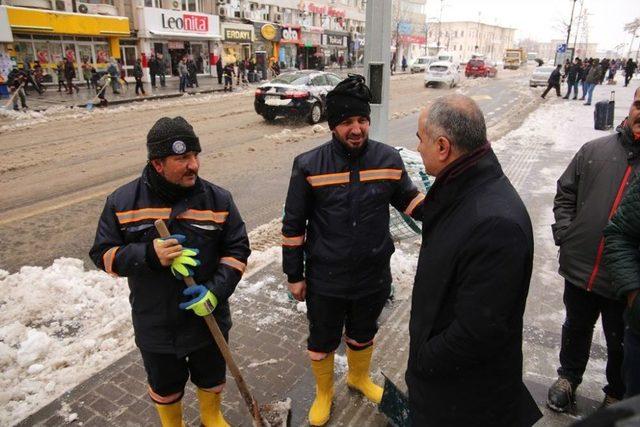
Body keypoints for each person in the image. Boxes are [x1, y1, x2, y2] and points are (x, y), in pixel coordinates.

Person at [282, 74, 425, 426]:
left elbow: (409, 199)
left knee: (364, 332)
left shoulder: (388, 159)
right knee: (322, 338)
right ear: (333, 126)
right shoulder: (309, 165)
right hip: (325, 276)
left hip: (373, 272)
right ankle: (324, 393)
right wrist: (294, 275)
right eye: (347, 122)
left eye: (361, 120)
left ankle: (359, 378)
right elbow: (293, 225)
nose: (356, 128)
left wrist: (446, 209)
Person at [89, 116, 250, 427]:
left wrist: (215, 291)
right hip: (156, 323)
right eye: (182, 158)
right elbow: (103, 255)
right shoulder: (123, 202)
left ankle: (212, 417)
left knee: (211, 376)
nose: (194, 165)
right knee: (165, 387)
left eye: (195, 156)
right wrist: (148, 254)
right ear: (158, 164)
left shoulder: (218, 200)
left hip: (208, 318)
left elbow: (237, 250)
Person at [407, 94, 541, 427]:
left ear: (442, 147)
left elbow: (477, 333)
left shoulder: (495, 223)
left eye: (420, 139)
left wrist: (423, 361)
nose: (417, 147)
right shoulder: (464, 187)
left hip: (463, 402)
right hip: (448, 387)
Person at [546, 93, 640, 413]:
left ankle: (615, 392)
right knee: (576, 325)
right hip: (581, 265)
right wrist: (566, 234)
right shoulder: (595, 151)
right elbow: (565, 192)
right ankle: (568, 378)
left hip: (624, 280)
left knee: (620, 340)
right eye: (639, 105)